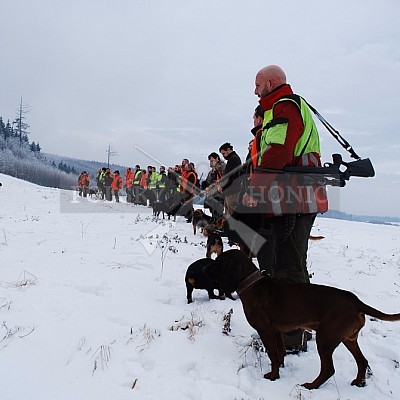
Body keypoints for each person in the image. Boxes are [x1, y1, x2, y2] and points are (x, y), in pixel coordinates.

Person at [242, 64, 328, 352]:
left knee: (289, 266)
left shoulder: (284, 106)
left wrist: (256, 188)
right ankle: (301, 329)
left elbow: (278, 152)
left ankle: (293, 337)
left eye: (256, 85)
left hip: (297, 198)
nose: (254, 91)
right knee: (287, 263)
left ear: (269, 82)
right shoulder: (279, 108)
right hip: (292, 197)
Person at [218, 142, 242, 217]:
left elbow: (230, 176)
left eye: (223, 153)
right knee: (228, 213)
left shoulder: (233, 159)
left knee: (231, 214)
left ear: (228, 150)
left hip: (232, 191)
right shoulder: (233, 158)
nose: (223, 156)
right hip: (231, 190)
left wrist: (222, 187)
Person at [202, 152, 226, 219]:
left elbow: (225, 178)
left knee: (218, 213)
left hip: (219, 194)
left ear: (217, 159)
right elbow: (209, 181)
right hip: (213, 194)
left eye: (212, 160)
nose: (211, 162)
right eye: (210, 161)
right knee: (213, 212)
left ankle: (219, 226)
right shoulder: (212, 170)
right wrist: (205, 184)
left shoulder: (222, 167)